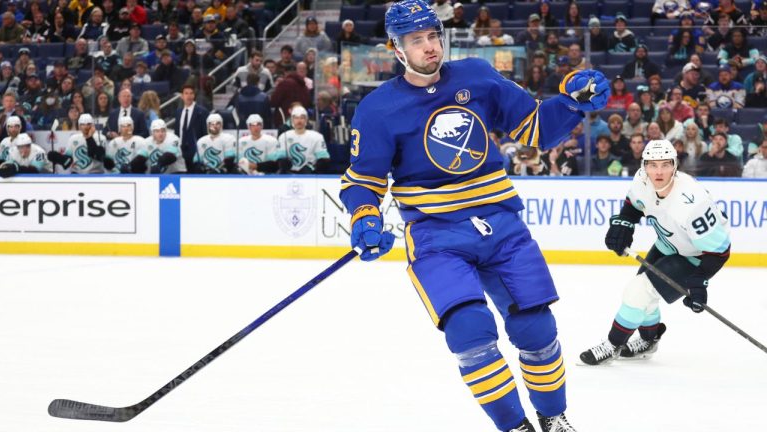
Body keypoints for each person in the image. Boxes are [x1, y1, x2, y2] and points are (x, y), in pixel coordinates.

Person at [338, 2, 610, 431]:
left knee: (537, 329)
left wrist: (573, 103)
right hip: (436, 235)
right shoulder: (377, 109)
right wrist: (365, 216)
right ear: (396, 48)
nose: (430, 47)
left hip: (502, 225)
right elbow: (362, 181)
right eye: (416, 40)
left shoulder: (477, 76)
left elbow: (535, 129)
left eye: (433, 35)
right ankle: (514, 427)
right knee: (469, 331)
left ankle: (553, 418)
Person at [580, 139, 731, 365]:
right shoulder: (641, 180)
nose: (658, 172)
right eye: (652, 165)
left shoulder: (692, 203)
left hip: (696, 255)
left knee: (637, 291)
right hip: (668, 243)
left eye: (665, 165)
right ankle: (649, 340)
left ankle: (612, 345)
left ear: (675, 165)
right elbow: (634, 204)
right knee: (644, 294)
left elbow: (720, 252)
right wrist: (624, 223)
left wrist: (700, 280)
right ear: (644, 166)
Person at [277, 106, 330, 174]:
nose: (299, 121)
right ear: (292, 120)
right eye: (296, 118)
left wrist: (312, 168)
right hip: (289, 174)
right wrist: (283, 162)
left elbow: (323, 158)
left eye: (302, 118)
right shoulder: (284, 136)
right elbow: (280, 157)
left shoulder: (317, 137)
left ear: (306, 120)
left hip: (310, 174)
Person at [174, 84, 210, 173]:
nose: (189, 96)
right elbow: (177, 132)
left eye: (191, 93)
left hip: (196, 152)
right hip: (181, 151)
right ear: (182, 96)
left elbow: (205, 133)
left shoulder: (202, 111)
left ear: (194, 95)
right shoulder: (178, 112)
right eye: (186, 93)